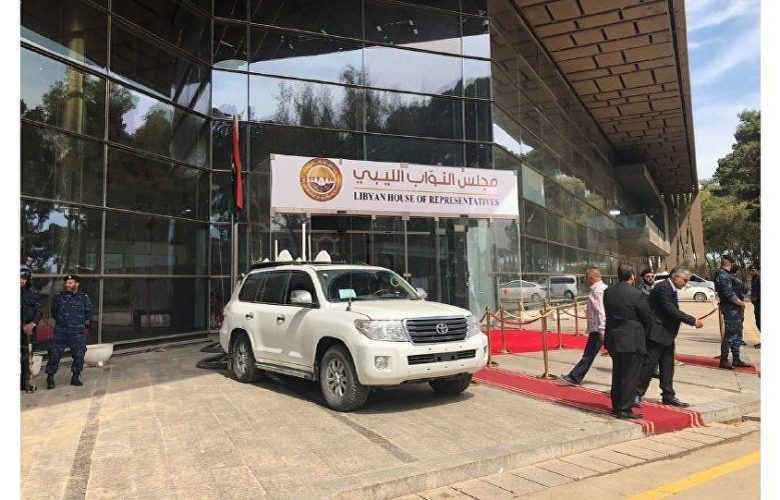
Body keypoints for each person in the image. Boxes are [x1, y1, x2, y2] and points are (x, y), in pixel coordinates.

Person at [635, 266, 703, 408]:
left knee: (667, 365)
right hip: (657, 333)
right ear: (676, 276)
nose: (685, 283)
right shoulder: (663, 288)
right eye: (684, 280)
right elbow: (670, 309)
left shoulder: (669, 287)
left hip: (666, 333)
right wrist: (692, 320)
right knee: (649, 365)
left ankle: (668, 395)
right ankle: (636, 394)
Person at [603, 264, 654, 419]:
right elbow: (647, 318)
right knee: (630, 375)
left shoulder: (608, 291)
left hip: (614, 337)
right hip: (632, 338)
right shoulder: (637, 294)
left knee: (617, 373)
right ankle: (625, 408)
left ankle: (617, 405)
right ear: (632, 276)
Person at [45, 275, 93, 389]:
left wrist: (77, 322)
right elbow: (54, 311)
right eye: (66, 283)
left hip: (77, 332)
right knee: (54, 354)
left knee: (79, 354)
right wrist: (63, 322)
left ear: (77, 284)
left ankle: (75, 377)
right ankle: (50, 378)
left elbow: (88, 312)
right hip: (61, 331)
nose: (67, 285)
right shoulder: (59, 297)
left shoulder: (84, 297)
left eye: (70, 283)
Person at [561, 267, 607, 385]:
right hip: (598, 328)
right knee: (590, 353)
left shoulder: (597, 291)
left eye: (586, 277)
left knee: (589, 354)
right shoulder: (601, 288)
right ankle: (575, 376)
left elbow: (601, 311)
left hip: (598, 329)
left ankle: (575, 376)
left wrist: (602, 329)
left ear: (591, 278)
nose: (585, 280)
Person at [714, 255, 751, 369]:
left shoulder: (728, 275)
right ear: (730, 263)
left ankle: (736, 359)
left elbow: (742, 289)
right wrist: (741, 303)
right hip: (731, 308)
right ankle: (724, 360)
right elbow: (729, 294)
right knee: (730, 334)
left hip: (735, 309)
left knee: (737, 333)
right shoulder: (722, 275)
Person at [20, 265, 42, 393]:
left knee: (27, 358)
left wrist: (32, 324)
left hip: (29, 332)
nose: (21, 280)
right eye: (19, 278)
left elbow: (39, 310)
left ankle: (25, 384)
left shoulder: (33, 294)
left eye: (24, 278)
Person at [750, 264, 760, 348]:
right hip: (756, 305)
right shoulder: (754, 279)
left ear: (758, 271)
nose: (751, 272)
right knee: (758, 322)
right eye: (751, 270)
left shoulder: (760, 279)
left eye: (753, 270)